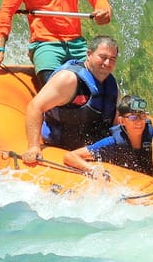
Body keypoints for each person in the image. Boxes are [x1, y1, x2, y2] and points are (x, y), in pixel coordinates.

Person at [21, 35, 119, 165]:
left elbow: (115, 122)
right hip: (60, 146)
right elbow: (35, 107)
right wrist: (33, 146)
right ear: (89, 54)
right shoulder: (68, 79)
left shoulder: (112, 85)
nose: (107, 63)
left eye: (112, 59)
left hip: (90, 149)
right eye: (103, 57)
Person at [63, 95, 153, 177]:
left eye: (142, 116)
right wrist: (92, 169)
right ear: (122, 121)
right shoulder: (112, 143)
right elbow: (70, 156)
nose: (139, 121)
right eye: (133, 117)